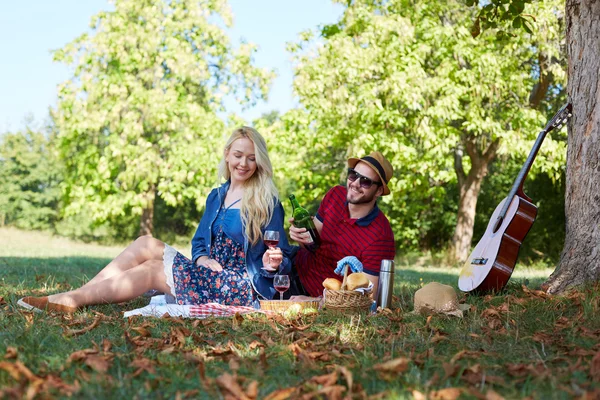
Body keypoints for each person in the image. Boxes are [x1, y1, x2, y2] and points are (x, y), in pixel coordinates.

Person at [18, 127, 294, 314]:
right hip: (208, 274)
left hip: (238, 285)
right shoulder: (217, 196)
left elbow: (282, 257)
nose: (243, 164)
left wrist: (273, 263)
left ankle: (72, 300)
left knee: (153, 269)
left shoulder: (266, 201)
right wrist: (200, 260)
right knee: (145, 243)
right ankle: (79, 294)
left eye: (251, 158)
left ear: (259, 162)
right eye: (238, 155)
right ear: (227, 155)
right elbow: (199, 242)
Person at [288, 151, 396, 298]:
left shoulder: (380, 236)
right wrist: (299, 236)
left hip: (321, 297)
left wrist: (313, 302)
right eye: (353, 175)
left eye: (365, 181)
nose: (355, 183)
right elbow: (311, 243)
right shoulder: (335, 195)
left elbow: (367, 296)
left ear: (378, 191)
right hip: (293, 268)